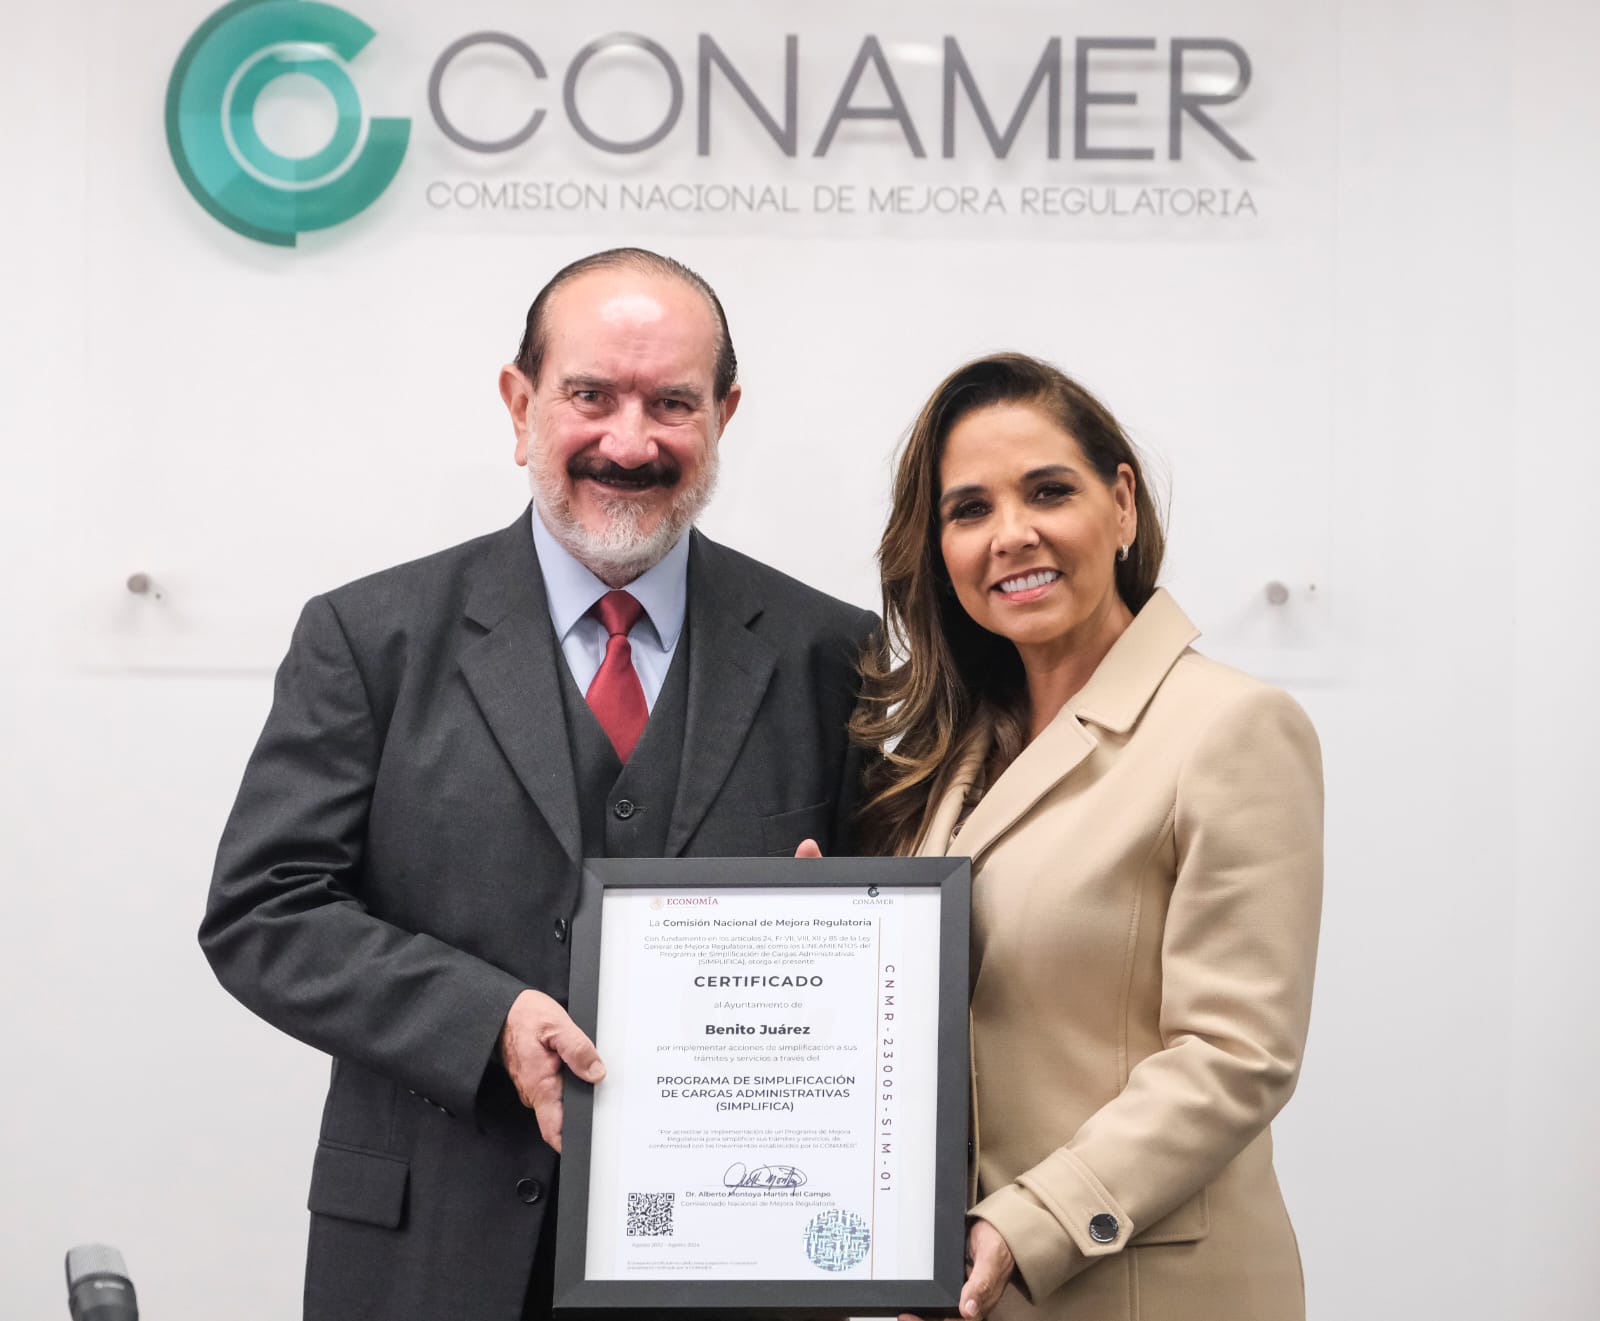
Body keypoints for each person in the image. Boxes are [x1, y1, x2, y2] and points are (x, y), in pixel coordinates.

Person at [200, 248, 876, 1321]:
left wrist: (842, 941)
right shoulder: (369, 638)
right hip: (427, 1258)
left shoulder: (833, 654)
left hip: (737, 1261)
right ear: (521, 406)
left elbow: (898, 961)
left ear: (724, 416)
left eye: (671, 403)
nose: (629, 442)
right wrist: (488, 1021)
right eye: (591, 396)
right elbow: (264, 910)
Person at [852, 353, 1322, 1321]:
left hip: (1146, 1289)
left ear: (1122, 504)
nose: (1011, 534)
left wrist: (1032, 1221)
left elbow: (1236, 1052)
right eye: (969, 509)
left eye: (1048, 491)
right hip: (975, 1291)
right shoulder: (954, 758)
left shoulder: (1229, 726)